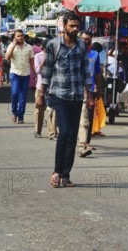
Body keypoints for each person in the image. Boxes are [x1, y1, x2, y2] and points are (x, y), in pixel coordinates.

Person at [37, 11, 93, 188]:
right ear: (64, 26)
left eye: (77, 26)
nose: (75, 29)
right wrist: (41, 94)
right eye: (72, 26)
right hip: (58, 94)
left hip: (76, 95)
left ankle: (66, 175)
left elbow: (86, 71)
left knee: (72, 136)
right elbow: (46, 71)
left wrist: (89, 94)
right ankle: (57, 171)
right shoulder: (54, 45)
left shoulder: (82, 46)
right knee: (65, 132)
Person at [78, 32, 104, 157]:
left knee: (86, 116)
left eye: (88, 39)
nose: (86, 41)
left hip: (89, 88)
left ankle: (84, 143)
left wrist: (98, 88)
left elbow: (98, 72)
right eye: (84, 39)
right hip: (74, 87)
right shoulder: (74, 51)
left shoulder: (95, 54)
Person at [5, 29, 35, 124]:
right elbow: (7, 58)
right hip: (15, 73)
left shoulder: (29, 47)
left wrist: (36, 74)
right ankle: (14, 113)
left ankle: (21, 116)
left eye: (21, 35)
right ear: (15, 37)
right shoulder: (11, 46)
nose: (20, 37)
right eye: (18, 36)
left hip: (26, 74)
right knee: (14, 93)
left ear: (24, 36)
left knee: (23, 96)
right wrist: (13, 45)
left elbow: (32, 62)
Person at [33, 38, 49, 137]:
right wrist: (46, 59)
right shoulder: (38, 56)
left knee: (53, 110)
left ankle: (53, 132)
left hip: (52, 87)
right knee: (39, 109)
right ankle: (37, 130)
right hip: (40, 87)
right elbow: (38, 70)